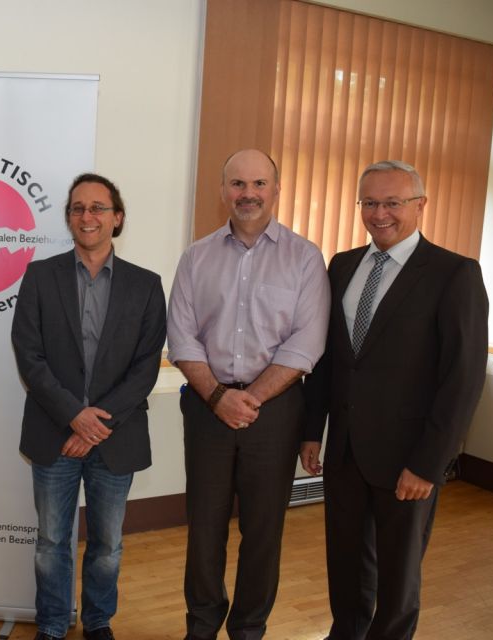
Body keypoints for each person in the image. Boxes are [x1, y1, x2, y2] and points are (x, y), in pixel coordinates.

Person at [301, 161, 489, 639]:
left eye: (392, 202)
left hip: (409, 459)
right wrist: (310, 432)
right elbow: (329, 360)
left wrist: (430, 463)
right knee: (345, 565)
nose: (379, 213)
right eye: (369, 202)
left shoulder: (454, 273)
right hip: (344, 453)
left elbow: (461, 380)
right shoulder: (341, 265)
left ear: (420, 205)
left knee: (398, 577)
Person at [167, 149, 331, 640]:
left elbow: (307, 343)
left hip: (275, 413)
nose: (248, 194)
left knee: (263, 532)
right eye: (238, 184)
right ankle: (201, 623)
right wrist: (218, 397)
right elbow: (182, 337)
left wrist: (250, 398)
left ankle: (248, 627)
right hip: (205, 409)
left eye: (259, 183)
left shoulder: (304, 258)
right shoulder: (196, 256)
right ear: (223, 191)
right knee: (205, 528)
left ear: (276, 190)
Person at [11, 173, 167, 640]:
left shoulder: (146, 285)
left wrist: (96, 423)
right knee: (52, 541)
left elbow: (145, 367)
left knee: (108, 545)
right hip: (54, 431)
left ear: (117, 218)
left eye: (99, 207)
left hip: (115, 437)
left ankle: (98, 621)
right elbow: (29, 355)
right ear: (69, 218)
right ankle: (54, 623)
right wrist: (73, 416)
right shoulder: (40, 276)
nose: (87, 216)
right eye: (78, 208)